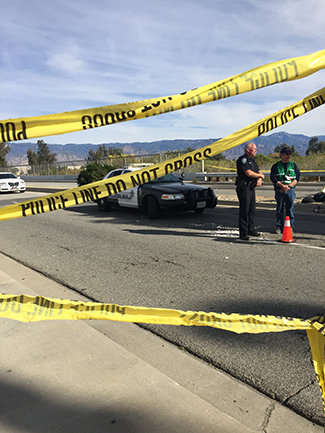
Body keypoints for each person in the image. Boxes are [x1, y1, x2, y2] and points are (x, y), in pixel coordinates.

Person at [236, 143, 265, 240]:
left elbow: (258, 171)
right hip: (244, 187)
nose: (256, 151)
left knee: (252, 209)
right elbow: (248, 173)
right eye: (254, 149)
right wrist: (260, 176)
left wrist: (260, 178)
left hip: (251, 187)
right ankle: (243, 233)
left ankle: (251, 229)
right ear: (248, 150)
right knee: (245, 210)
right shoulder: (243, 159)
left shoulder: (252, 160)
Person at [270, 147, 300, 234]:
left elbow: (297, 178)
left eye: (290, 154)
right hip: (280, 190)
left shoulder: (293, 165)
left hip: (290, 190)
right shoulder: (276, 166)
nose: (288, 156)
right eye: (286, 154)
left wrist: (288, 187)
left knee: (290, 208)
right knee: (279, 208)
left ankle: (290, 226)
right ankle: (279, 226)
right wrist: (282, 186)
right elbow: (274, 178)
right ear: (281, 155)